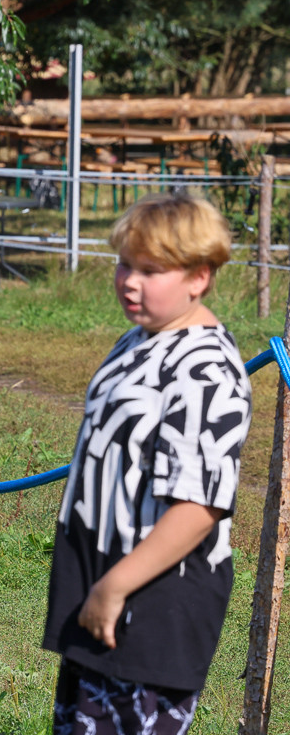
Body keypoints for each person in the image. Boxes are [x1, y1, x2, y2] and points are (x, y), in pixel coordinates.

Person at [42, 195, 252, 734]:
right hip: (101, 579)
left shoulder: (207, 370)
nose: (129, 281)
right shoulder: (139, 338)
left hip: (153, 600)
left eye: (150, 270)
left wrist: (115, 588)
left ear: (199, 276)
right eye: (125, 264)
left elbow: (200, 505)